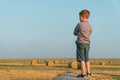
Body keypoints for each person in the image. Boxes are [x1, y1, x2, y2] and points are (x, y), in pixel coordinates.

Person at [73, 9, 92, 78]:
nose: (79, 18)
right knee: (87, 58)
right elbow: (90, 32)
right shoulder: (90, 25)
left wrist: (78, 33)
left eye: (79, 17)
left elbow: (74, 32)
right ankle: (89, 73)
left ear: (83, 16)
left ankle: (83, 73)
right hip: (87, 43)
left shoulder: (79, 24)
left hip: (80, 43)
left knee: (81, 59)